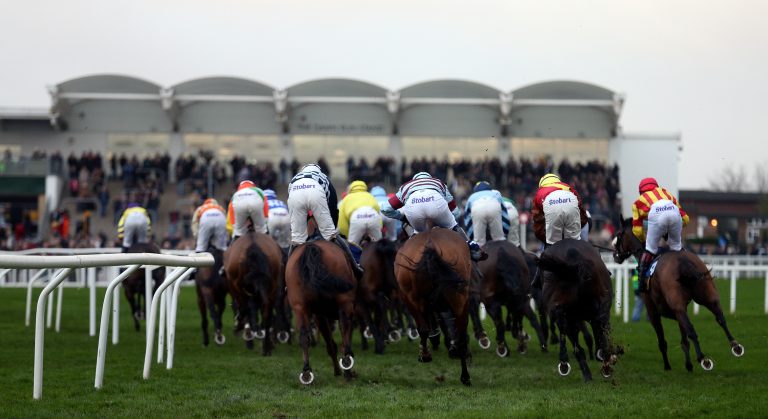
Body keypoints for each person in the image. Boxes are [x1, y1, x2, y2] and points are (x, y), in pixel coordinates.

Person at [381, 171, 486, 261]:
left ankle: (406, 255)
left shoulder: (405, 186)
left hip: (414, 207)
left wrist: (402, 217)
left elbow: (385, 209)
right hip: (436, 203)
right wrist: (448, 220)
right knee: (453, 225)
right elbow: (455, 212)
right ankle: (472, 247)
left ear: (414, 180)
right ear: (429, 178)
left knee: (417, 234)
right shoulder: (438, 182)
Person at [287, 163, 363, 277]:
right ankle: (355, 266)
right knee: (331, 234)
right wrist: (330, 230)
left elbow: (295, 206)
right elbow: (333, 208)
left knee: (297, 239)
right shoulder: (324, 177)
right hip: (316, 194)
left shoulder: (294, 179)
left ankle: (288, 274)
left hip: (295, 195)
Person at [631, 177, 689, 292]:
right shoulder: (667, 194)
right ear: (656, 186)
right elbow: (686, 219)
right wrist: (671, 231)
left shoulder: (638, 202)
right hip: (674, 212)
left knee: (650, 249)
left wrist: (644, 241)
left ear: (641, 191)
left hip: (656, 213)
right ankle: (688, 269)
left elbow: (637, 230)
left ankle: (641, 282)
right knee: (677, 247)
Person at [532, 173, 587, 248]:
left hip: (550, 203)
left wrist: (544, 239)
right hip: (571, 200)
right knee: (574, 243)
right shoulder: (568, 187)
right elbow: (581, 210)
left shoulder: (539, 192)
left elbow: (537, 220)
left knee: (553, 245)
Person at [338, 180, 382, 264]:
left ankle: (356, 265)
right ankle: (382, 262)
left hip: (357, 217)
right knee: (379, 245)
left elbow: (342, 222)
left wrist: (347, 235)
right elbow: (378, 215)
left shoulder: (347, 198)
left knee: (353, 245)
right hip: (373, 216)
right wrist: (378, 229)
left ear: (350, 189)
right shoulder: (370, 196)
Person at [463, 181, 509, 247]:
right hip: (494, 205)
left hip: (477, 208)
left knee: (479, 242)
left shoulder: (472, 197)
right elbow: (504, 213)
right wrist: (505, 230)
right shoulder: (496, 194)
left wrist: (472, 235)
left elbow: (467, 218)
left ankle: (479, 254)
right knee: (499, 240)